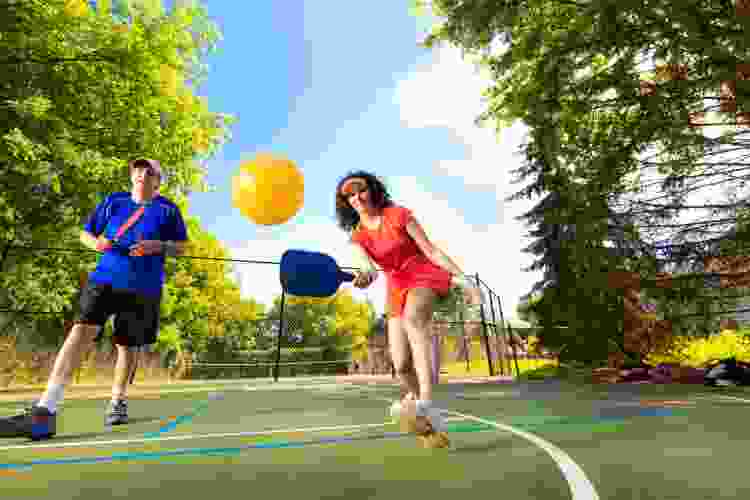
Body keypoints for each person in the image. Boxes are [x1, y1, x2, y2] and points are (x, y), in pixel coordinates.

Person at [0, 159, 188, 441]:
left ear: (158, 181)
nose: (141, 175)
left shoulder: (168, 209)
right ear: (131, 176)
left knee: (127, 346)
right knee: (79, 334)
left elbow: (182, 248)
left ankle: (118, 400)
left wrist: (158, 246)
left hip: (144, 288)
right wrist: (96, 243)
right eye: (137, 170)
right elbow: (85, 234)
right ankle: (46, 409)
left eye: (149, 172)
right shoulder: (114, 201)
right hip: (104, 280)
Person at [334, 171, 482, 447]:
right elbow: (368, 268)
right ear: (346, 203)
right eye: (350, 195)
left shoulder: (398, 215)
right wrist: (365, 277)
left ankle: (425, 401)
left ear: (373, 190)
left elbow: (431, 250)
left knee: (414, 320)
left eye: (361, 190)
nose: (357, 197)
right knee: (401, 366)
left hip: (422, 273)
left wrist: (464, 281)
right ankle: (431, 420)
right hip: (395, 286)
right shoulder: (357, 237)